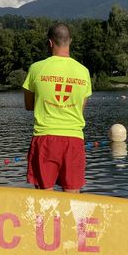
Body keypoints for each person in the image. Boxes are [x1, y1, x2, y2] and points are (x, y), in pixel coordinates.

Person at [22, 23, 92, 193]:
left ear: (50, 43)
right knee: (73, 197)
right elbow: (79, 108)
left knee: (45, 198)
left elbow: (29, 105)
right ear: (70, 42)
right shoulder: (83, 71)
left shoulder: (36, 69)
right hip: (74, 139)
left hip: (45, 138)